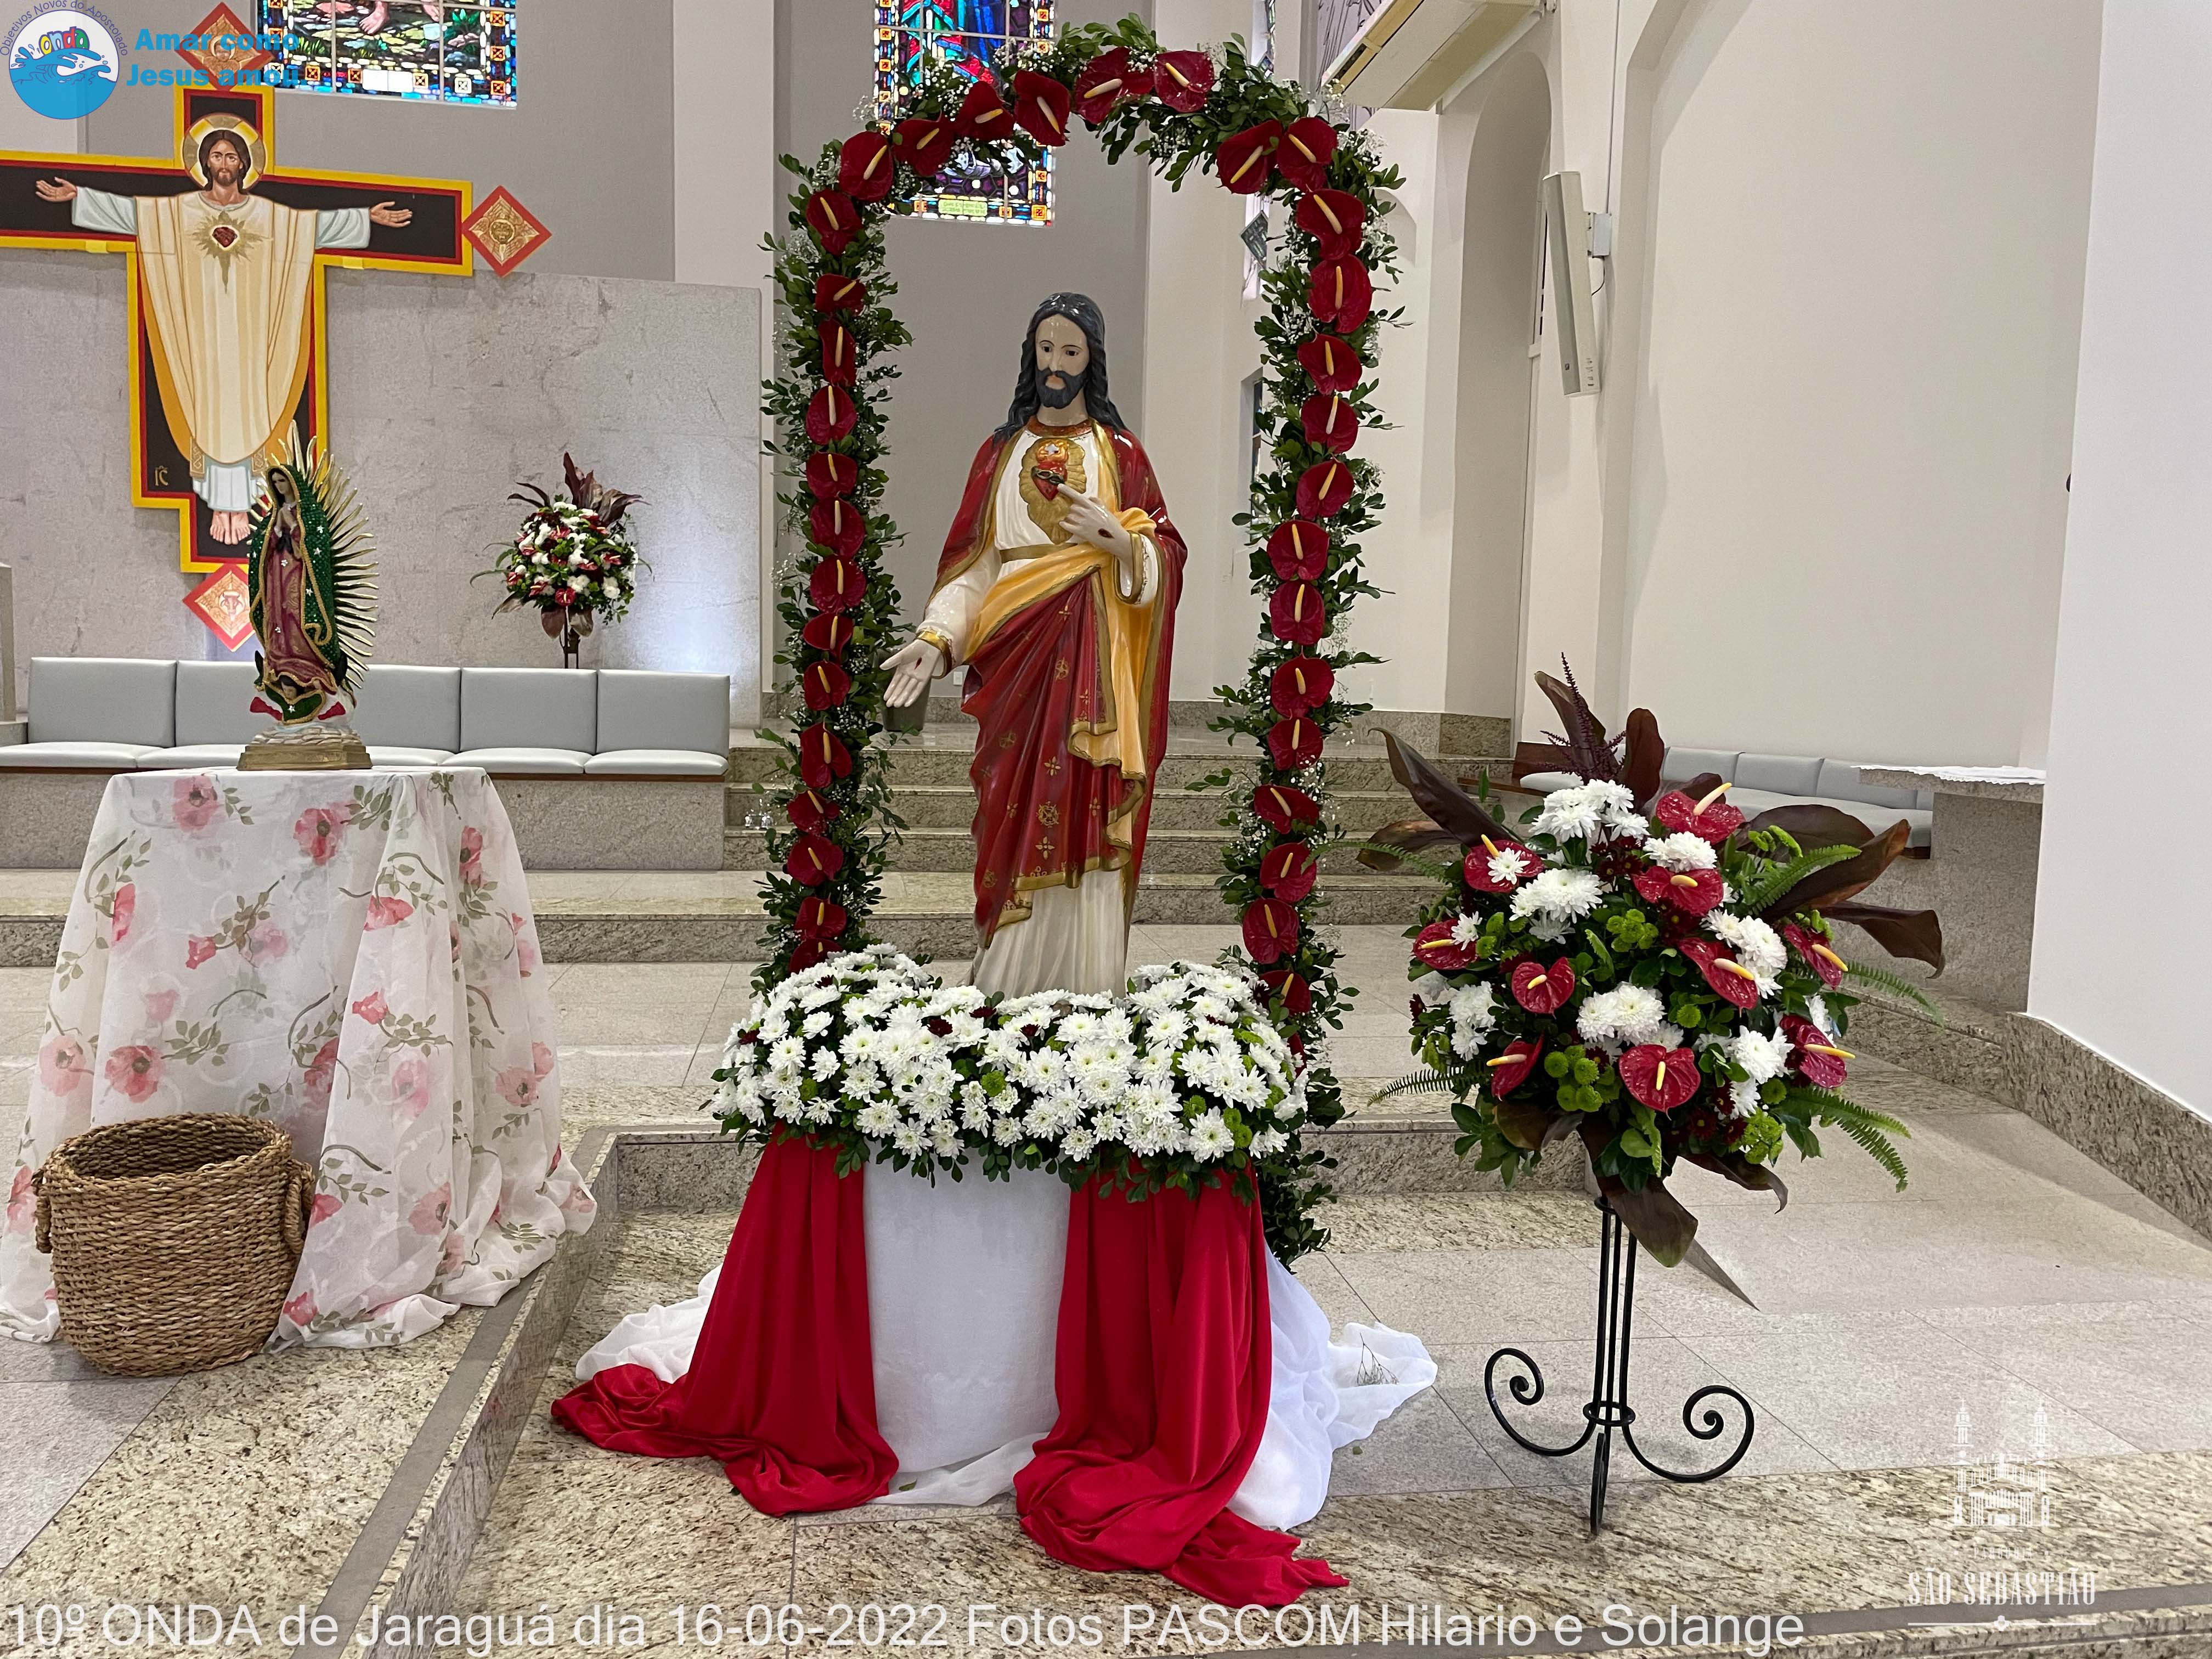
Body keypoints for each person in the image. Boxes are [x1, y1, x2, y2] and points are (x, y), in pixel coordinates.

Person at [882, 292, 1186, 998]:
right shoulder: (999, 453)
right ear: (1031, 355)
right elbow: (975, 566)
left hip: (1095, 666)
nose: (1056, 365)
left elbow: (1166, 550)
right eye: (1046, 349)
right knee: (1012, 807)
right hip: (1016, 660)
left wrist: (1120, 543)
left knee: (1088, 797)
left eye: (1070, 352)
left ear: (1092, 361)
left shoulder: (1121, 453)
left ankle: (1087, 981)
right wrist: (936, 637)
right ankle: (1008, 975)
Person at [35, 125, 410, 544]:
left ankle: (243, 502)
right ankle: (220, 504)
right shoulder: (180, 211)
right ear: (204, 163)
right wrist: (82, 198)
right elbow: (136, 215)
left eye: (232, 156)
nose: (224, 164)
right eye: (216, 156)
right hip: (203, 334)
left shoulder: (267, 215)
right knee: (209, 404)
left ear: (244, 164)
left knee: (250, 403)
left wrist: (365, 218)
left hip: (251, 333)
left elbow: (311, 227)